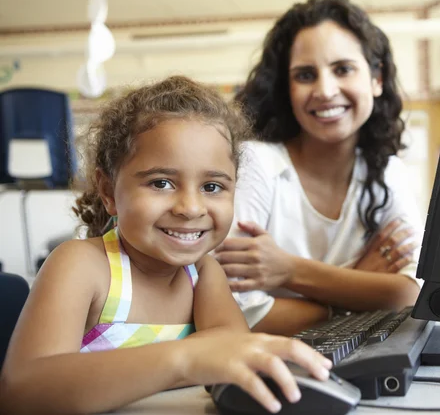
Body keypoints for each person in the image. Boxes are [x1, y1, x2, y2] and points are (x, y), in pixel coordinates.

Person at [0, 76, 331, 415]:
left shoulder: (203, 274)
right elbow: (22, 391)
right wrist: (183, 359)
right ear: (108, 191)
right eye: (161, 183)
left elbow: (232, 350)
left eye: (213, 187)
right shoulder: (82, 265)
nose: (190, 207)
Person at [214, 0, 423, 336]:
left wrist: (290, 271)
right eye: (305, 75)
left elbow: (410, 294)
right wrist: (358, 284)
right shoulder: (256, 163)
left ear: (376, 79)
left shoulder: (389, 174)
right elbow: (239, 312)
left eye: (343, 69)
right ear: (287, 88)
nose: (325, 91)